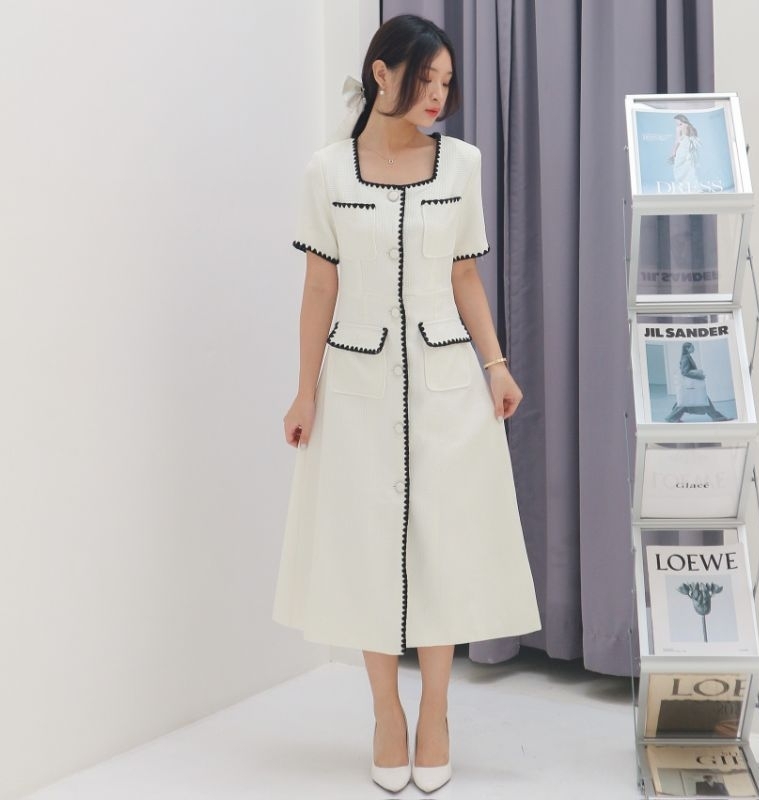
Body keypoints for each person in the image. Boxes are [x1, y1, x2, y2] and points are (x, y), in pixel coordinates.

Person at [273, 14, 540, 793]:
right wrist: (304, 390)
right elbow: (319, 287)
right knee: (366, 553)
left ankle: (437, 714)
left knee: (443, 550)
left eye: (446, 83)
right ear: (382, 73)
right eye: (425, 79)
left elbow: (463, 275)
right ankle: (387, 713)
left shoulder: (462, 163)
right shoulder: (327, 171)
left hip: (446, 384)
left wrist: (497, 366)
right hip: (356, 388)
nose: (437, 96)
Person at [665, 342, 728, 422]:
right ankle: (718, 418)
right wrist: (699, 375)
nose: (693, 348)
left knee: (687, 402)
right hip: (691, 385)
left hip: (691, 386)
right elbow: (684, 372)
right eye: (692, 347)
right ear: (687, 348)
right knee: (699, 401)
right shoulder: (685, 358)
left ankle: (717, 418)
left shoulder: (687, 357)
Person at [670, 113, 701, 191]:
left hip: (683, 146)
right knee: (688, 166)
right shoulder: (691, 127)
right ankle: (691, 186)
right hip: (689, 147)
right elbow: (695, 138)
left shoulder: (679, 128)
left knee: (678, 166)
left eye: (676, 121)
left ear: (680, 120)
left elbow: (677, 141)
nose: (676, 123)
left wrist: (674, 151)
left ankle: (683, 186)